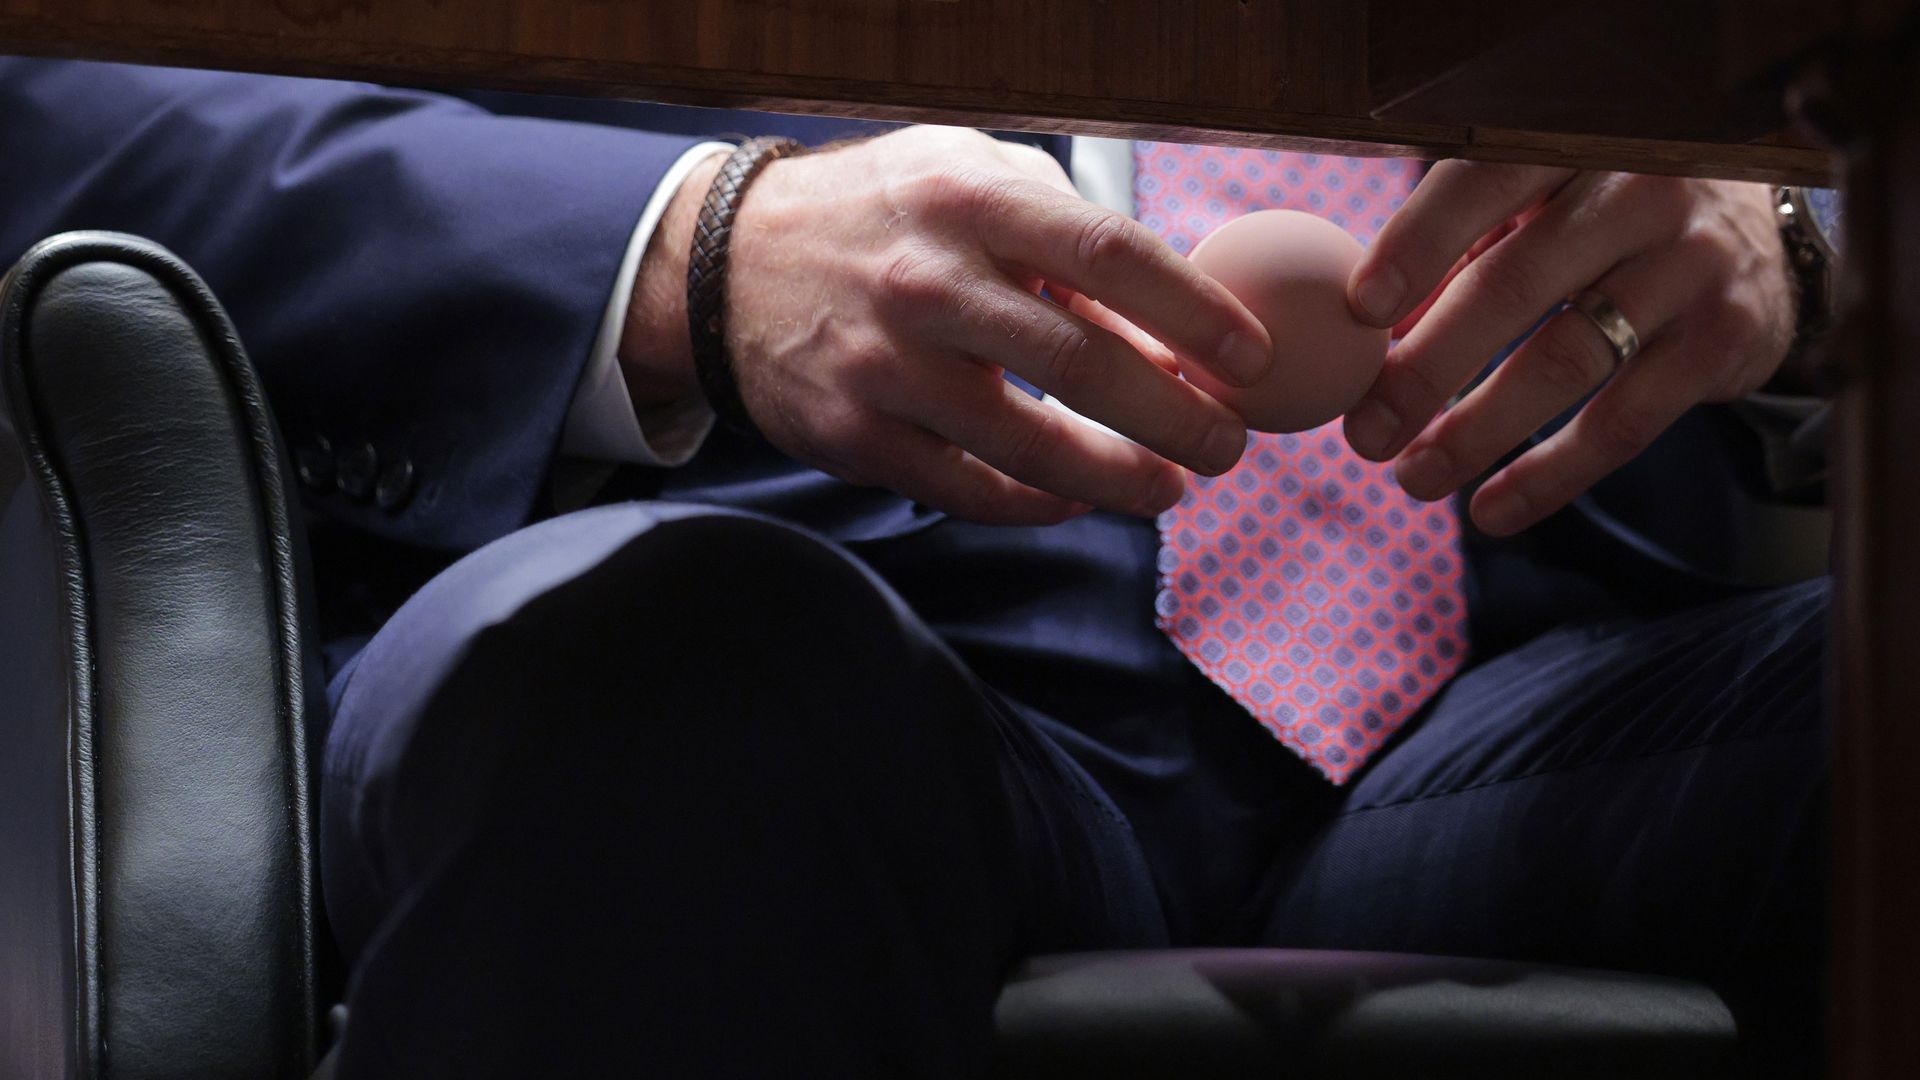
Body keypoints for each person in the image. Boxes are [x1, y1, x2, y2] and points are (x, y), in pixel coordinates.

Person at [0, 57, 1829, 1077]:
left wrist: (1810, 244)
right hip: (812, 618)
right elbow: (54, 104)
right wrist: (680, 254)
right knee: (636, 682)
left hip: (1560, 714)